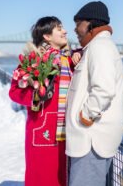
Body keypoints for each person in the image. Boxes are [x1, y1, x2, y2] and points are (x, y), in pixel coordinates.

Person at [66, 1, 123, 186]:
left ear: (91, 24)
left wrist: (86, 116)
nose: (75, 29)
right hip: (90, 141)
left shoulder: (100, 47)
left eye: (78, 23)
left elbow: (104, 88)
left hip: (91, 141)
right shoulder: (97, 46)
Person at [9, 16, 75, 186]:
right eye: (59, 28)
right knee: (42, 177)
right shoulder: (33, 59)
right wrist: (36, 95)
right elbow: (14, 92)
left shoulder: (70, 59)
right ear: (47, 36)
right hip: (42, 128)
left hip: (68, 130)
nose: (65, 31)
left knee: (64, 177)